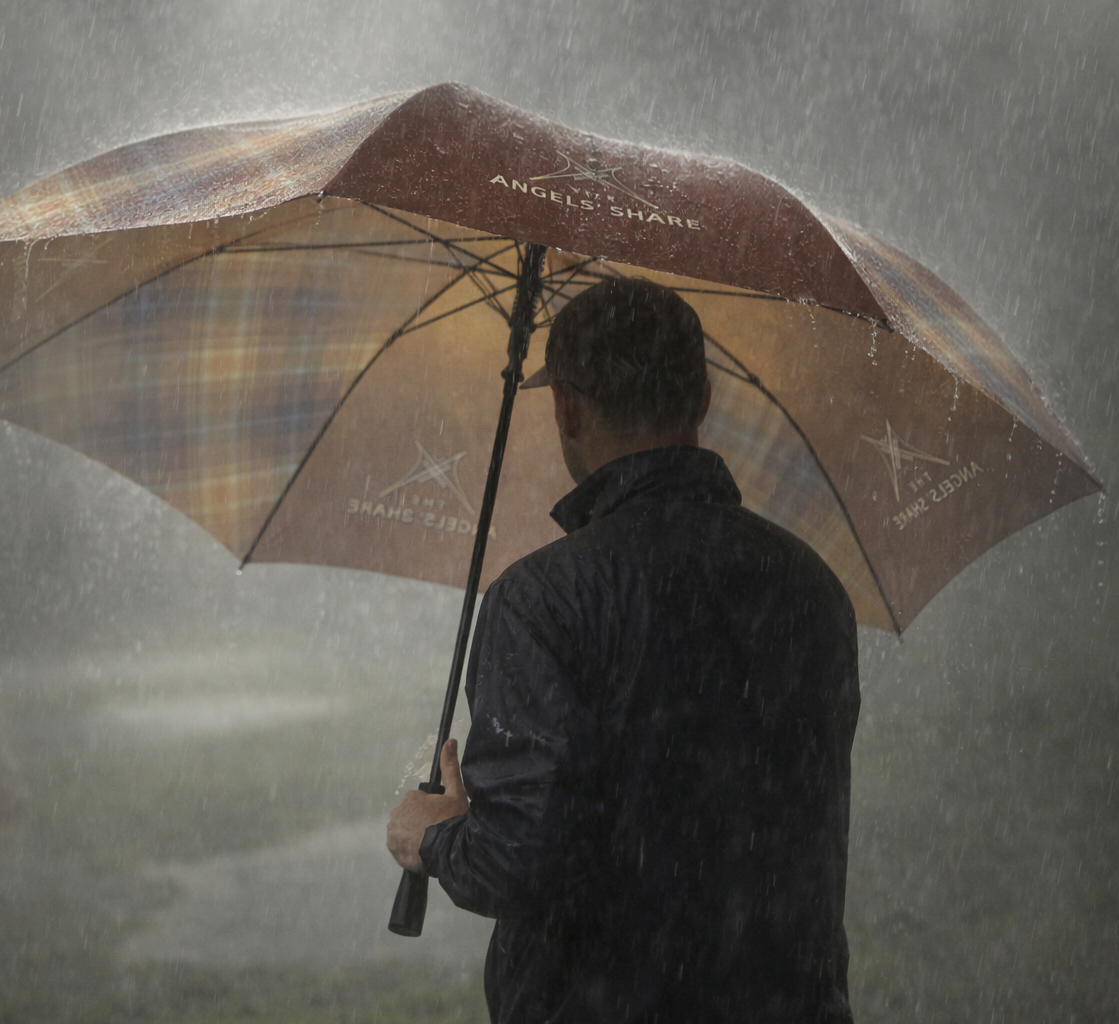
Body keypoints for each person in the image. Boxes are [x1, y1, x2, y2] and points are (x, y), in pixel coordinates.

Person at [388, 277, 860, 1024]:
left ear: (567, 408)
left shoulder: (544, 599)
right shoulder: (813, 587)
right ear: (703, 399)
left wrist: (436, 834)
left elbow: (518, 862)